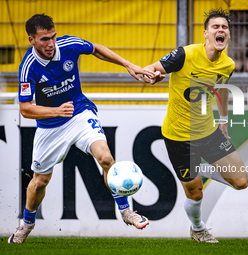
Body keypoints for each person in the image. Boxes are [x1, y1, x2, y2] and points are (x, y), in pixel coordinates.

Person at [8, 14, 153, 244]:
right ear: (31, 40)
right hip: (49, 126)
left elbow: (95, 49)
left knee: (106, 158)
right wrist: (56, 111)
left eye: (53, 37)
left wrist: (128, 64)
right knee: (39, 182)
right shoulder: (28, 67)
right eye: (44, 39)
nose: (51, 44)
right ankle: (27, 223)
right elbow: (25, 109)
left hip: (79, 113)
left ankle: (126, 212)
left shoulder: (69, 45)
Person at [141, 8, 248, 243]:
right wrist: (152, 76)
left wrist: (223, 120)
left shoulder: (227, 64)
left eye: (225, 27)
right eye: (215, 27)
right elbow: (151, 69)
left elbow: (221, 90)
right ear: (206, 34)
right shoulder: (184, 55)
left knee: (241, 182)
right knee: (195, 191)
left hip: (208, 133)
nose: (221, 30)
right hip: (179, 137)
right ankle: (198, 228)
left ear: (228, 35)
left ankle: (204, 169)